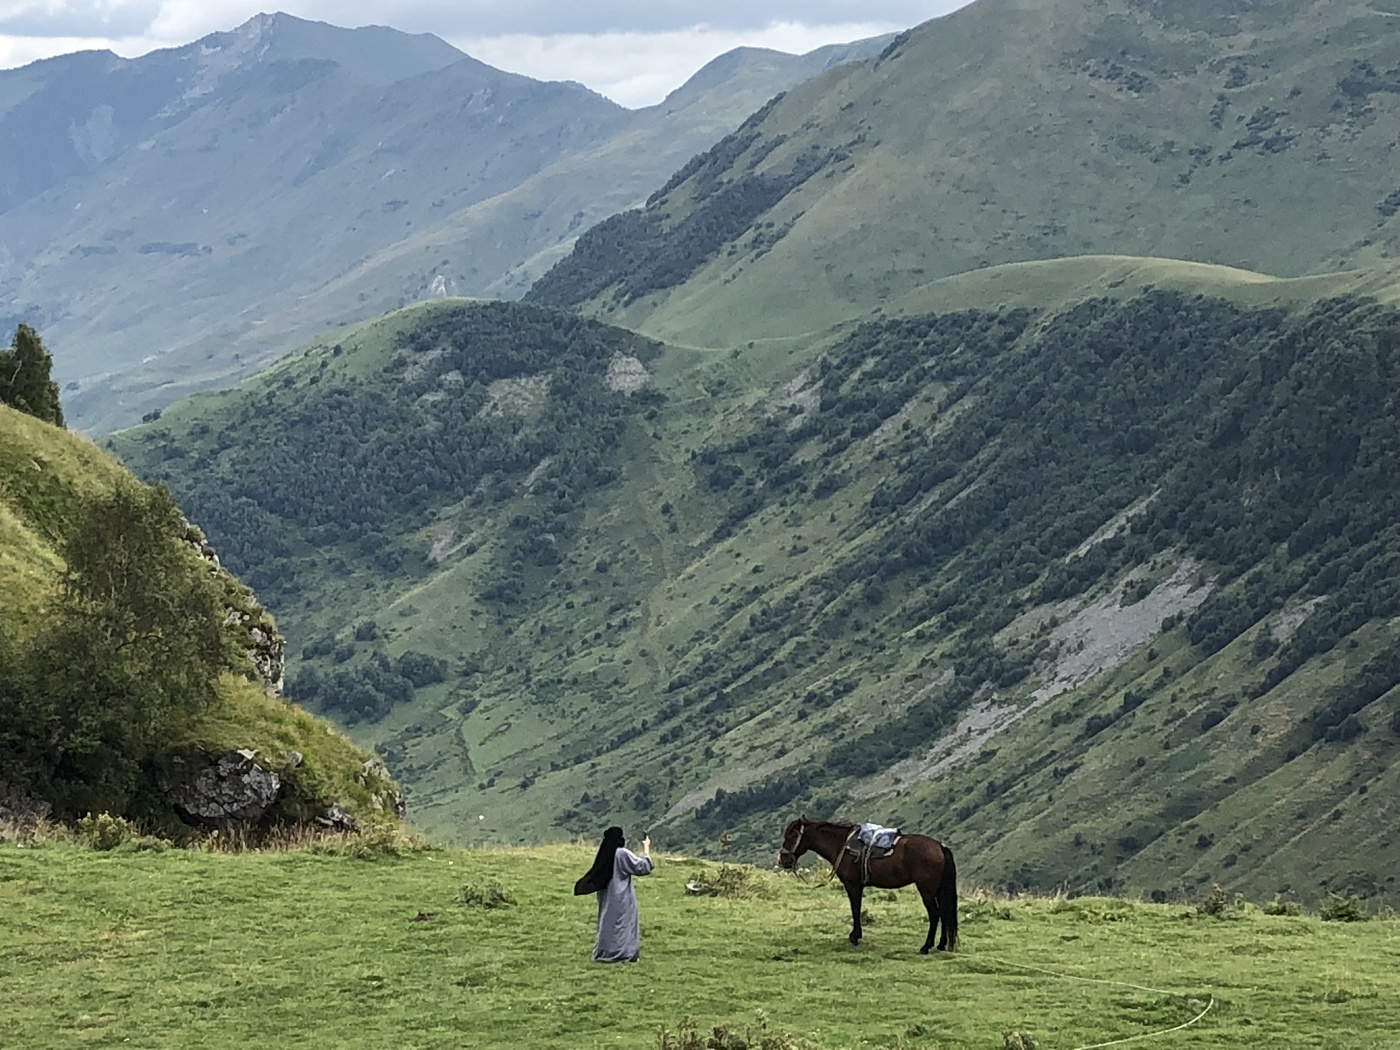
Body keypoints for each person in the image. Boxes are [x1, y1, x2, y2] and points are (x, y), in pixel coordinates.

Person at [573, 825, 653, 963]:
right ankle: (623, 953)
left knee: (608, 923)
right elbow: (643, 867)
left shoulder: (605, 854)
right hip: (622, 897)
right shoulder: (621, 853)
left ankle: (605, 951)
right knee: (623, 924)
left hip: (607, 896)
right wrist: (646, 849)